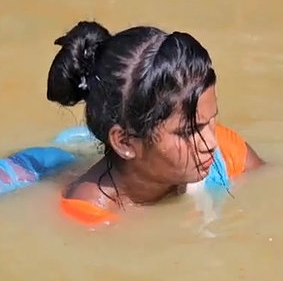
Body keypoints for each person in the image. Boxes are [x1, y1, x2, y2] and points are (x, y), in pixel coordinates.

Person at [45, 21, 264, 226]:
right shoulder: (90, 216)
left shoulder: (227, 153)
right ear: (124, 142)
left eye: (210, 120)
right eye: (189, 131)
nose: (211, 142)